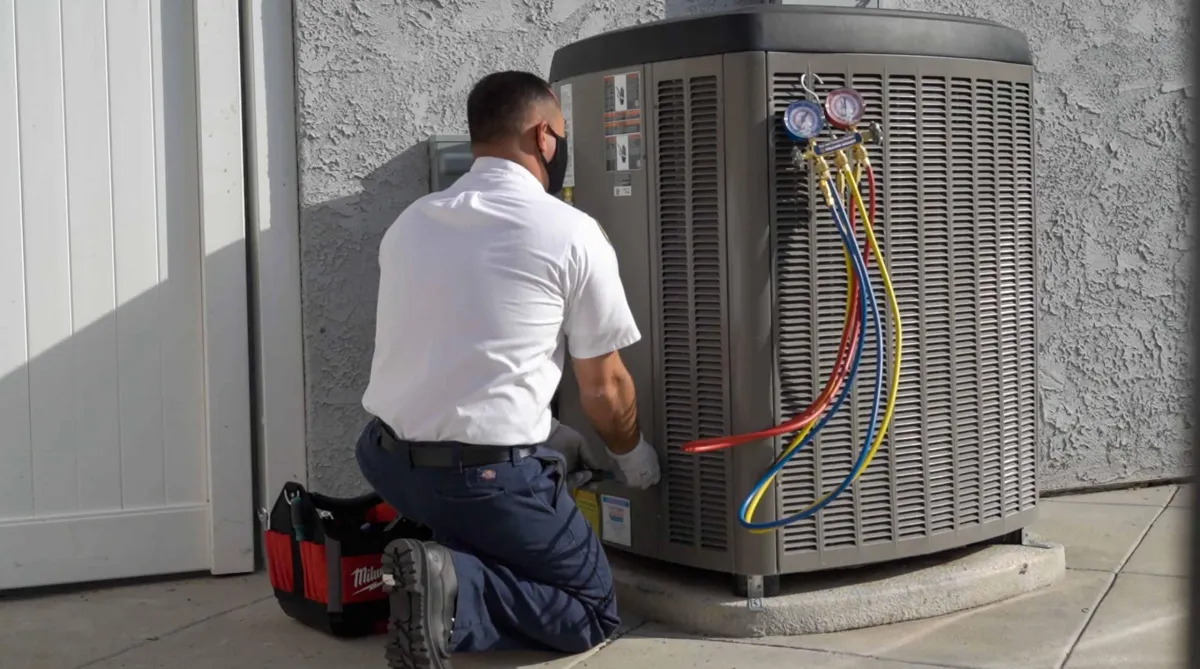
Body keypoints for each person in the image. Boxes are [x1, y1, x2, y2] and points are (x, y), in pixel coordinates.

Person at [355, 70, 662, 669]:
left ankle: (437, 563)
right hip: (481, 481)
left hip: (386, 461)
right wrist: (633, 456)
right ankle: (452, 591)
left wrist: (547, 433)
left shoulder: (412, 221)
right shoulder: (570, 232)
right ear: (544, 136)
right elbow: (605, 389)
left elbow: (461, 352)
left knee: (486, 510)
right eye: (562, 133)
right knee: (590, 611)